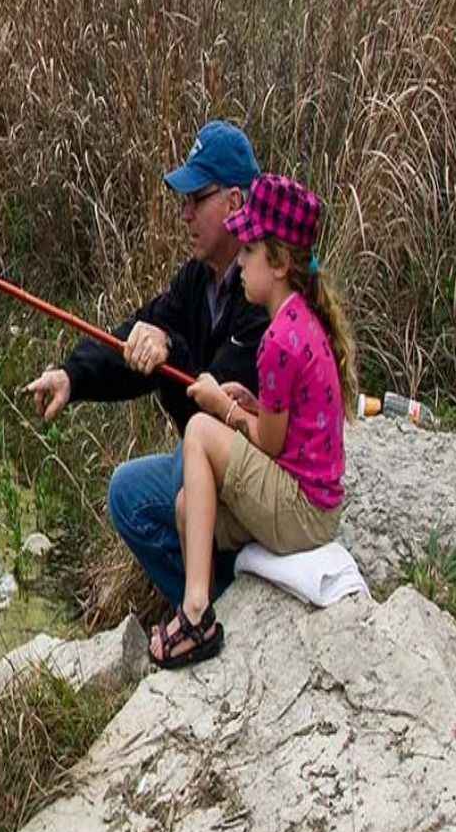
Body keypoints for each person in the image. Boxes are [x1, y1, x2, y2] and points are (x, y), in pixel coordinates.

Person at [23, 120, 269, 613]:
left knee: (180, 496)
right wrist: (74, 375)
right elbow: (141, 329)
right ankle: (213, 610)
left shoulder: (266, 289)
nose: (185, 214)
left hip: (253, 471)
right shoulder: (199, 278)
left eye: (197, 199)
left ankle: (219, 616)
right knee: (127, 494)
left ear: (236, 203)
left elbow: (217, 394)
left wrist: (169, 351)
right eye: (184, 201)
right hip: (209, 467)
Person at [149, 174, 359, 668]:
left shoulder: (279, 340)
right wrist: (249, 403)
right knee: (186, 508)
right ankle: (213, 604)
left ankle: (196, 613)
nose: (239, 263)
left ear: (280, 263)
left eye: (249, 252)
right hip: (309, 503)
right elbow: (285, 426)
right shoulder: (303, 321)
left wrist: (222, 408)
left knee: (200, 431)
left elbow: (268, 441)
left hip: (303, 511)